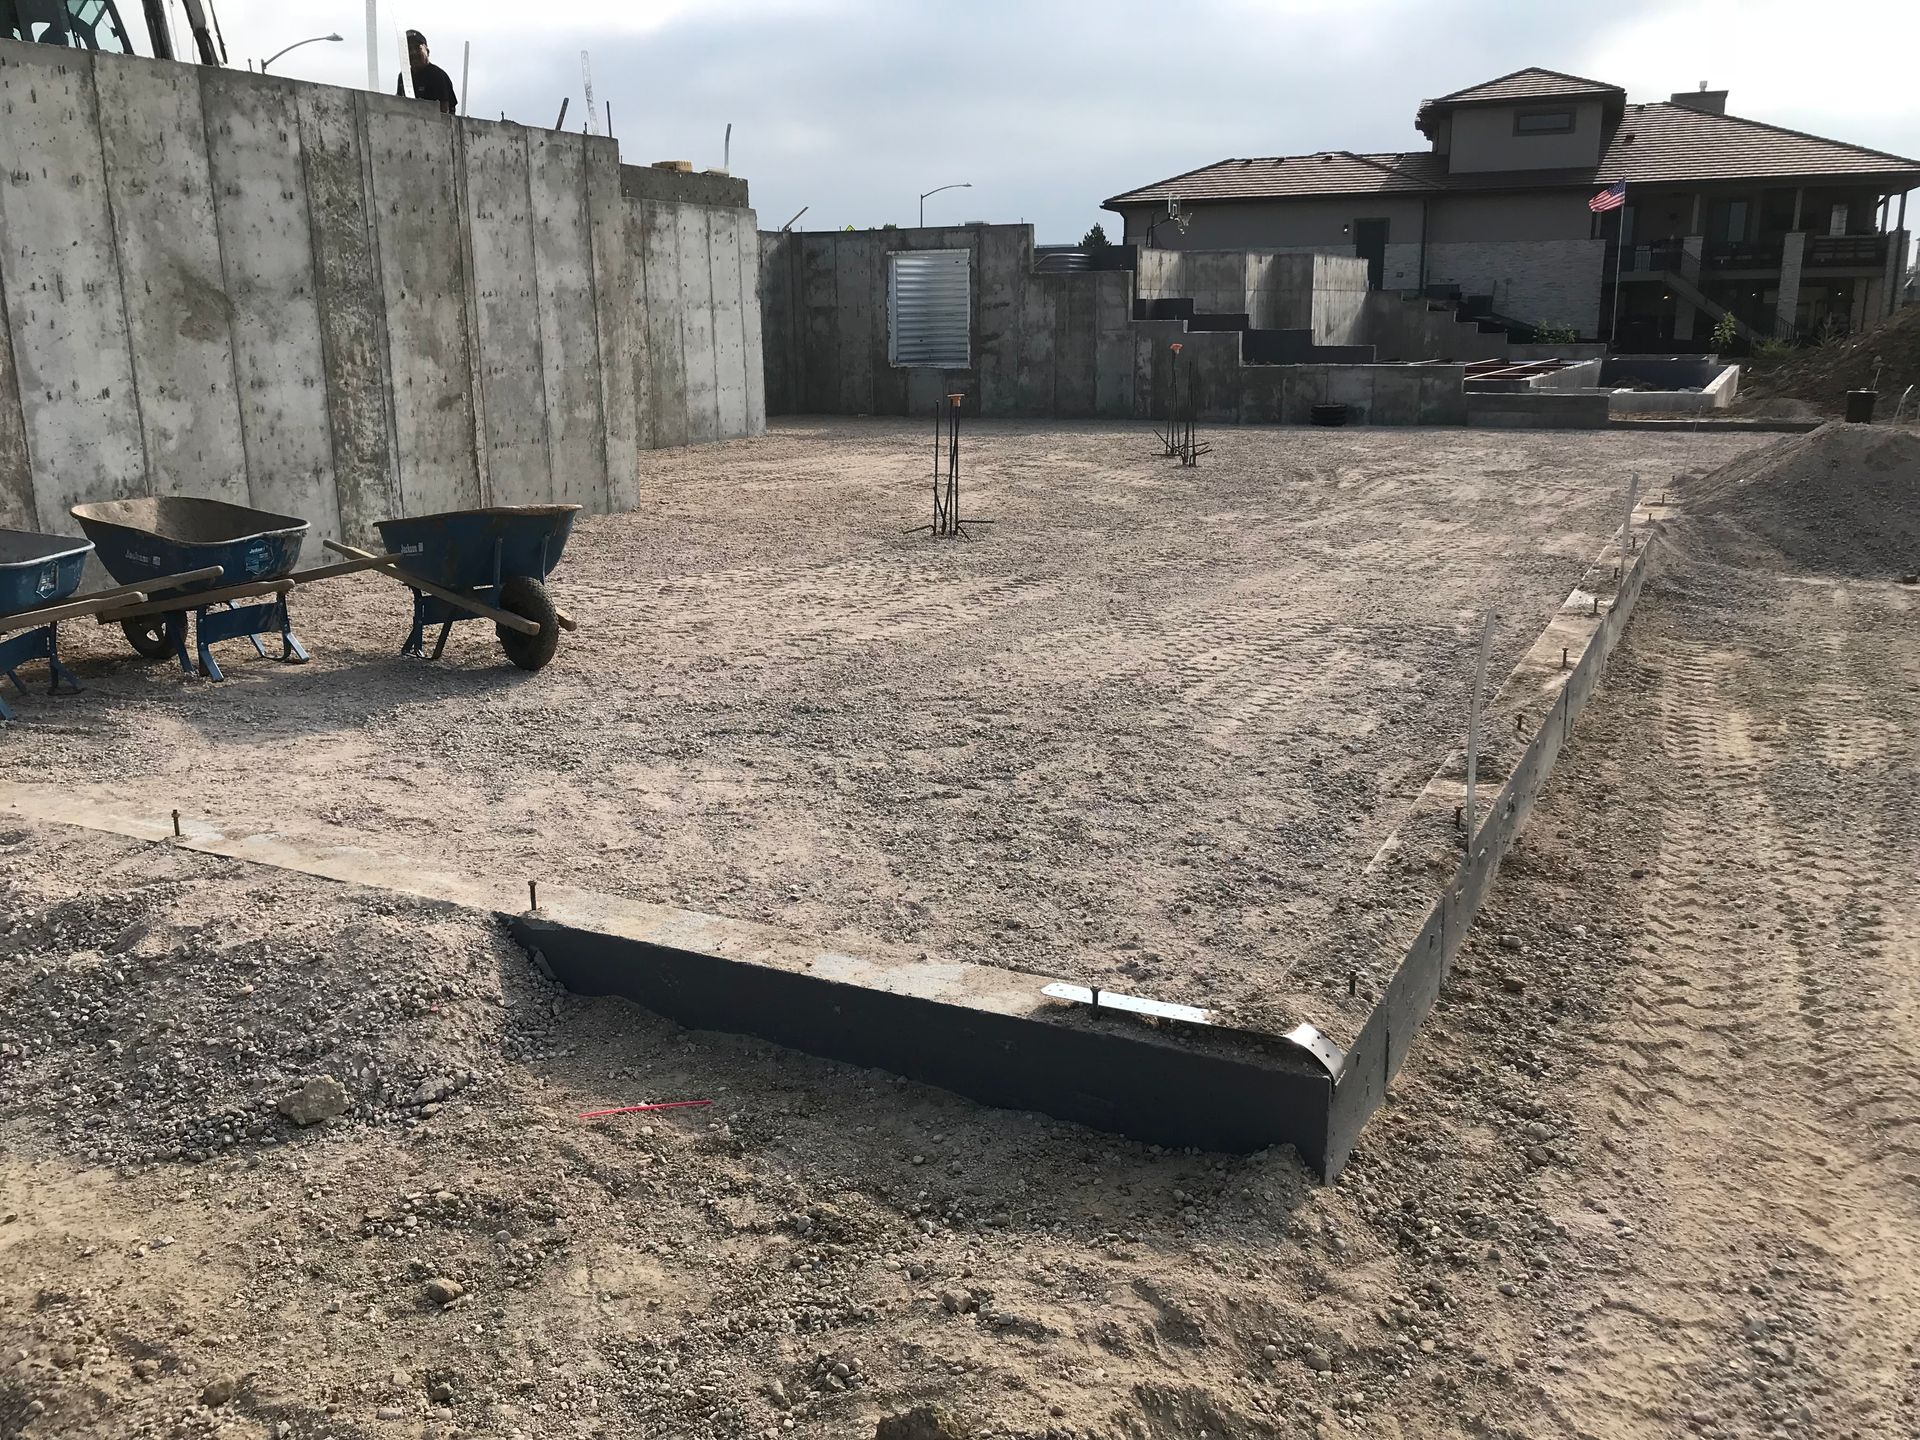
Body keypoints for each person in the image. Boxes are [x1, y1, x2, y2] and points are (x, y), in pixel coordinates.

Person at [406, 29, 458, 115]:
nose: (413, 53)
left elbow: (444, 113)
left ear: (427, 51)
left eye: (417, 48)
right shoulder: (403, 77)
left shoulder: (437, 75)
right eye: (409, 49)